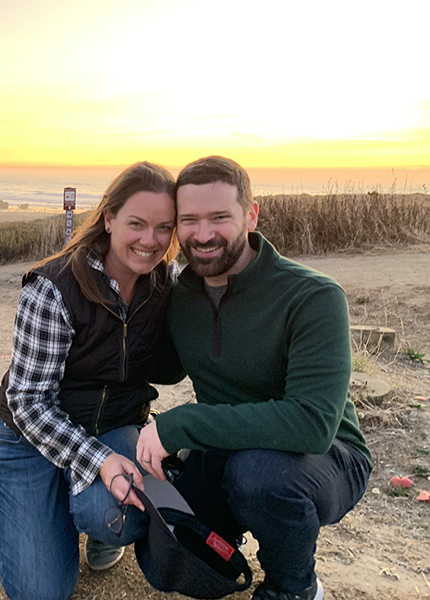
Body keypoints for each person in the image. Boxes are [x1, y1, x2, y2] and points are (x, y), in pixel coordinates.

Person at [137, 156, 373, 600]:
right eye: (188, 220)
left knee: (259, 477)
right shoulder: (181, 294)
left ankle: (295, 585)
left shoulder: (313, 297)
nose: (202, 235)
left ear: (251, 214)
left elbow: (312, 425)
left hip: (324, 457)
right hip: (224, 451)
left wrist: (181, 424)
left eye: (219, 217)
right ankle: (234, 531)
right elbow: (162, 367)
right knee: (165, 565)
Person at [0, 161, 183, 600]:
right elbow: (27, 403)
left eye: (163, 228)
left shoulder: (166, 283)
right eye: (136, 223)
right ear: (109, 217)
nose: (149, 241)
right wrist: (98, 461)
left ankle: (95, 525)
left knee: (116, 516)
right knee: (43, 591)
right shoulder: (53, 288)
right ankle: (33, 505)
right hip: (31, 436)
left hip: (113, 424)